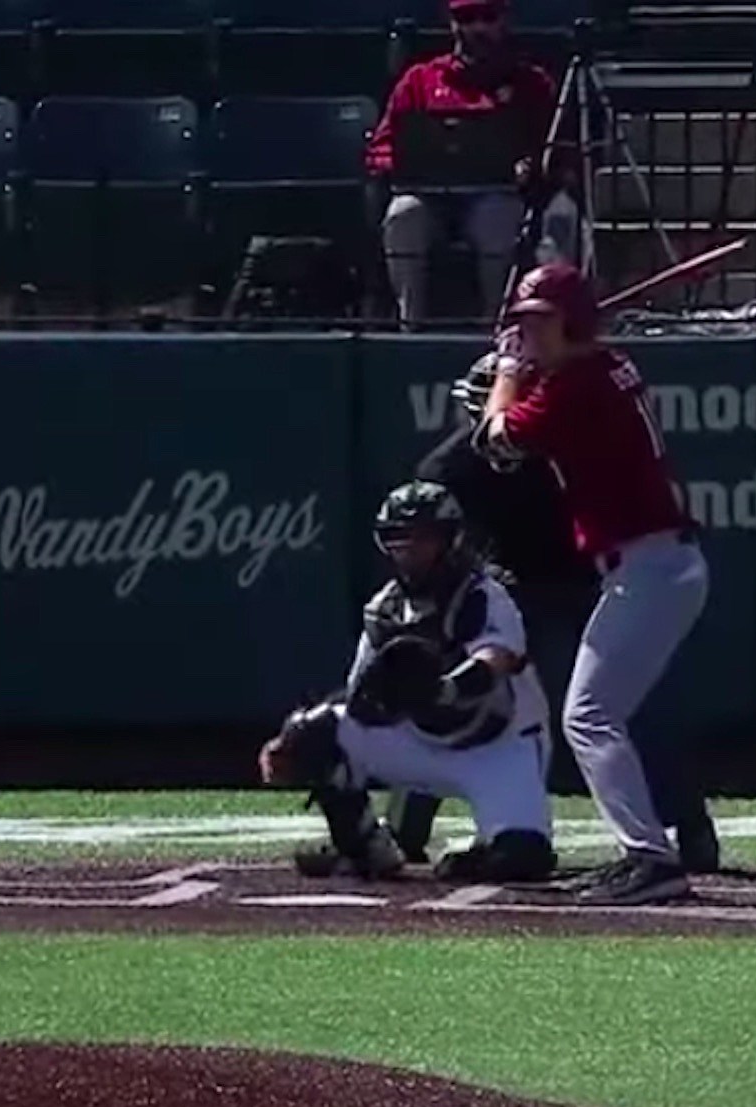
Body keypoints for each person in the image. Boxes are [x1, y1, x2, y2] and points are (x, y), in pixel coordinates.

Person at [389, 341, 721, 875]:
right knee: (450, 692)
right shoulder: (454, 466)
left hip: (585, 587)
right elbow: (444, 549)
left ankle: (686, 829)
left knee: (609, 711)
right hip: (506, 589)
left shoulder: (561, 444)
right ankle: (405, 828)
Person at [479, 261, 708, 906]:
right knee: (597, 713)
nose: (530, 333)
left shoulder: (577, 383)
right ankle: (646, 851)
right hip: (652, 565)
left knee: (589, 714)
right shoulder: (602, 366)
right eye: (523, 322)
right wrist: (527, 370)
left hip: (650, 567)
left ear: (574, 319)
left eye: (541, 321)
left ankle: (650, 857)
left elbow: (497, 439)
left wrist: (506, 374)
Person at [268, 481, 556, 885]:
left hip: (498, 745)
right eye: (399, 540)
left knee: (522, 859)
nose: (410, 553)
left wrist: (443, 690)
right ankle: (364, 845)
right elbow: (358, 701)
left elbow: (496, 660)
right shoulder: (384, 610)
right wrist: (291, 744)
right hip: (420, 739)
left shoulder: (483, 595)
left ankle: (484, 848)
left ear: (451, 540)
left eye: (423, 539)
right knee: (313, 731)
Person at [365, 0, 558, 327]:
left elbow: (556, 143)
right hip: (429, 196)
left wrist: (532, 166)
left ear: (504, 21)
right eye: (466, 18)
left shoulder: (531, 83)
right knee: (402, 216)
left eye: (488, 17)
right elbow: (381, 146)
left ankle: (495, 328)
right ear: (451, 24)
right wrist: (394, 164)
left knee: (498, 218)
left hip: (495, 194)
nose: (478, 28)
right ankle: (409, 325)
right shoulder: (419, 80)